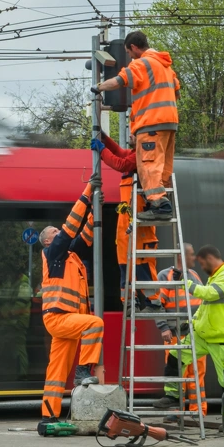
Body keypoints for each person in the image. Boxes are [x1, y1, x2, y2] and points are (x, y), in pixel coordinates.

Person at [37, 181, 104, 435]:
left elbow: (86, 233)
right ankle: (84, 371)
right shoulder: (53, 252)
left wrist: (95, 208)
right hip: (59, 317)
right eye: (54, 231)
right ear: (47, 241)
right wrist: (87, 194)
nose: (59, 232)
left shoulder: (70, 256)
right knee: (95, 323)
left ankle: (48, 416)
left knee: (56, 371)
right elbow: (71, 227)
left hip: (64, 320)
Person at [93, 30, 180, 220]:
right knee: (163, 165)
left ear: (133, 47)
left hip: (151, 123)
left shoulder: (142, 64)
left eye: (129, 53)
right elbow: (176, 92)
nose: (130, 57)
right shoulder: (165, 65)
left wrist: (98, 87)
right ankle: (160, 200)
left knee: (148, 165)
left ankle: (159, 204)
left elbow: (118, 81)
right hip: (170, 123)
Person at [164, 245, 224, 433]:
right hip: (203, 334)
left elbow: (209, 294)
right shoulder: (216, 276)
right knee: (175, 355)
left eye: (201, 263)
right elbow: (206, 307)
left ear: (209, 258)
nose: (200, 267)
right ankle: (173, 396)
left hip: (223, 337)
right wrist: (190, 323)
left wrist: (186, 282)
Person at [91, 132, 160, 313]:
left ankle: (152, 301)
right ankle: (130, 300)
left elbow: (120, 164)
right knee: (125, 261)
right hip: (128, 219)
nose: (129, 134)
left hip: (138, 221)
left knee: (141, 262)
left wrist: (102, 150)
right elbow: (121, 154)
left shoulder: (142, 155)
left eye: (133, 133)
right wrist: (105, 139)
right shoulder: (134, 154)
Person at [154, 242, 207, 418]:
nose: (195, 258)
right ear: (181, 256)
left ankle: (197, 411)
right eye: (192, 255)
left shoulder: (193, 275)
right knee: (178, 373)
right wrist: (164, 327)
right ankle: (177, 412)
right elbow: (156, 305)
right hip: (176, 334)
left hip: (195, 334)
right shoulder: (165, 276)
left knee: (196, 374)